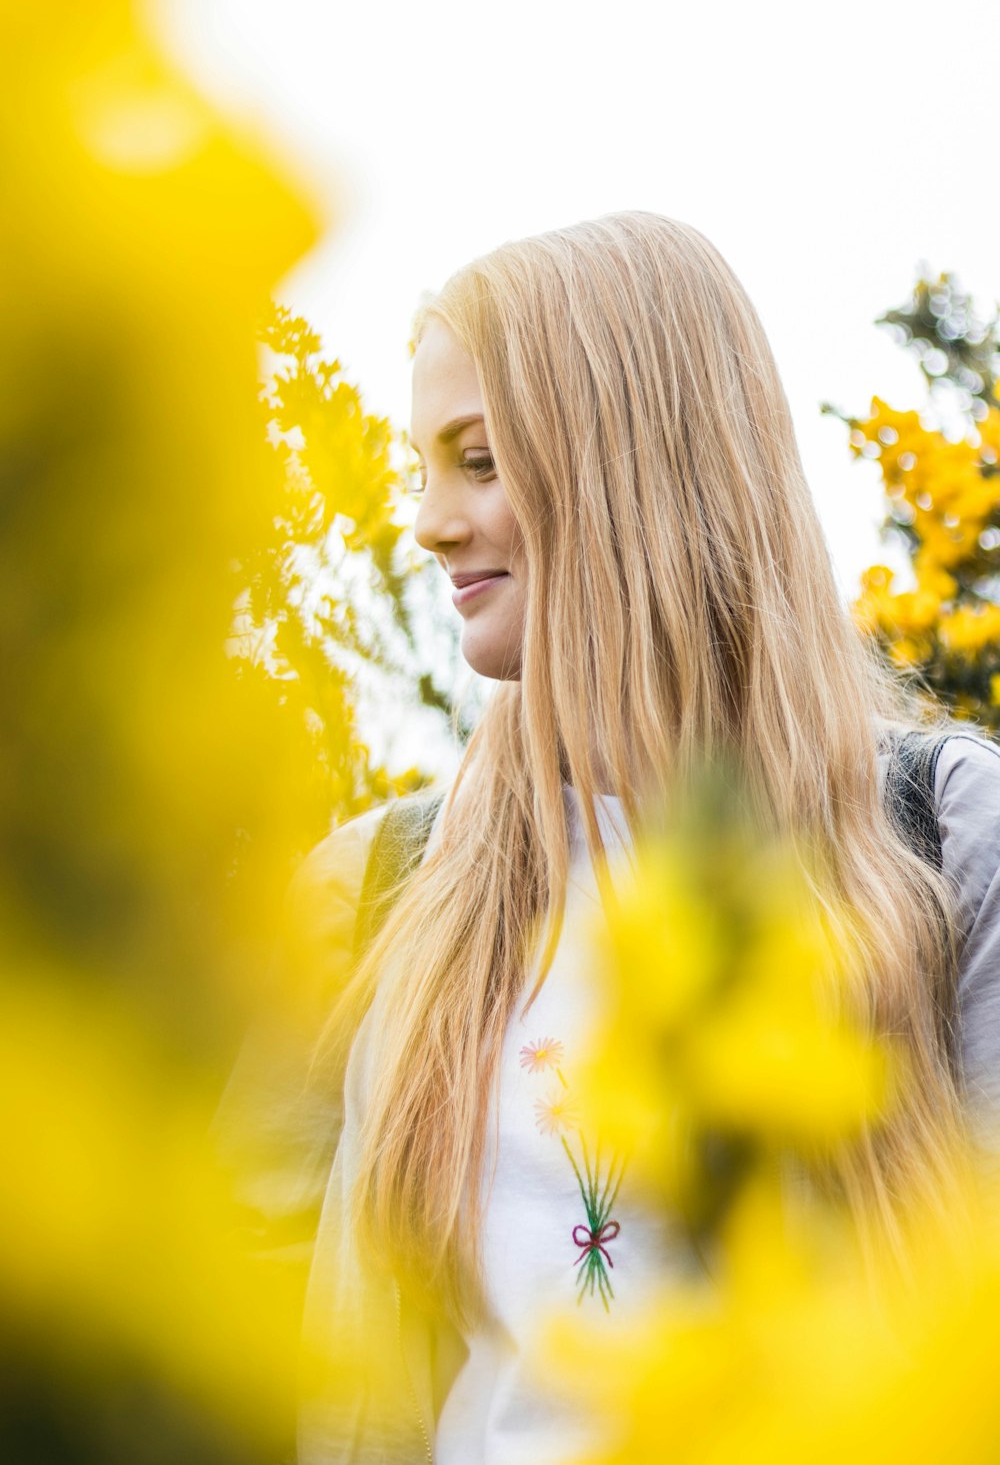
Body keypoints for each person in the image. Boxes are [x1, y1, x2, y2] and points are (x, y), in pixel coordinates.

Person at [218, 212, 1000, 1465]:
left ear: (633, 455)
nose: (428, 524)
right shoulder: (376, 891)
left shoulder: (945, 839)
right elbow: (235, 1352)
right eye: (424, 470)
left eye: (477, 461)